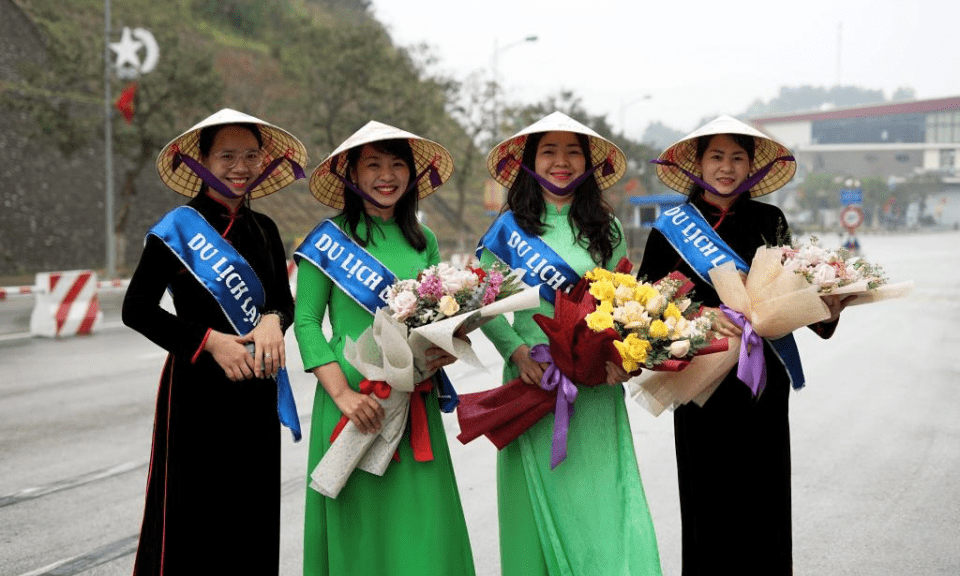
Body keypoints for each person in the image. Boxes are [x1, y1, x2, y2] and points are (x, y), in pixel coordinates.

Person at [637, 115, 851, 575]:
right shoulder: (670, 228)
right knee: (706, 497)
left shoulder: (769, 220)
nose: (727, 167)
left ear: (752, 166)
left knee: (764, 494)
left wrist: (831, 304)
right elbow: (645, 305)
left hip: (762, 381)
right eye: (717, 156)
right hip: (700, 382)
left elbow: (796, 293)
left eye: (738, 157)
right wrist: (699, 315)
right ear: (697, 163)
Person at [122, 108, 308, 575]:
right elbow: (137, 308)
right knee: (192, 514)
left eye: (250, 155)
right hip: (196, 389)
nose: (240, 166)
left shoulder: (263, 228)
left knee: (252, 511)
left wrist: (271, 321)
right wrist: (210, 341)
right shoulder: (177, 228)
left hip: (256, 388)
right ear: (200, 159)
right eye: (226, 155)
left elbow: (282, 302)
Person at [477, 111, 662, 576]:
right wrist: (517, 353)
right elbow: (484, 301)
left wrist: (624, 359)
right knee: (537, 505)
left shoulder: (607, 228)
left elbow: (626, 304)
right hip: (532, 380)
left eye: (573, 151)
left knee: (604, 500)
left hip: (596, 388)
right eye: (549, 151)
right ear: (530, 161)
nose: (562, 161)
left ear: (587, 162)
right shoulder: (506, 230)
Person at [293, 121, 475, 576]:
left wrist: (450, 345)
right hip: (353, 401)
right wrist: (344, 396)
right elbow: (307, 323)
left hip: (413, 396)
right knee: (360, 521)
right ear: (351, 174)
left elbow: (442, 316)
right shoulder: (327, 240)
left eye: (397, 164)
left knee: (421, 518)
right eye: (373, 164)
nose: (386, 175)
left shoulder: (423, 239)